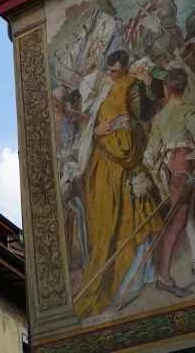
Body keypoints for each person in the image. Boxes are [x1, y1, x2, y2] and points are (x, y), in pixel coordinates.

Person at [74, 50, 161, 320]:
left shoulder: (131, 84)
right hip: (104, 166)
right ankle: (118, 284)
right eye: (110, 72)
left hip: (127, 160)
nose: (112, 76)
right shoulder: (100, 88)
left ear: (124, 68)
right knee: (108, 226)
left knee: (136, 218)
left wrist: (148, 83)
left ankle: (139, 280)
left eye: (117, 72)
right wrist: (99, 131)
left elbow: (146, 109)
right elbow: (89, 126)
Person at [144, 68, 195, 297]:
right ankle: (164, 276)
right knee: (179, 222)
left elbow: (150, 156)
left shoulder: (160, 118)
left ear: (166, 88)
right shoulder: (189, 111)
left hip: (175, 170)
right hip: (183, 170)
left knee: (182, 221)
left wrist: (160, 182)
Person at [51, 86, 89, 270]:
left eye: (60, 100)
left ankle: (87, 260)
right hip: (54, 176)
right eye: (54, 99)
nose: (56, 103)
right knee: (63, 218)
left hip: (68, 172)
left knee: (79, 212)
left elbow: (86, 121)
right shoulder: (46, 123)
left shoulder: (69, 121)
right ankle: (64, 261)